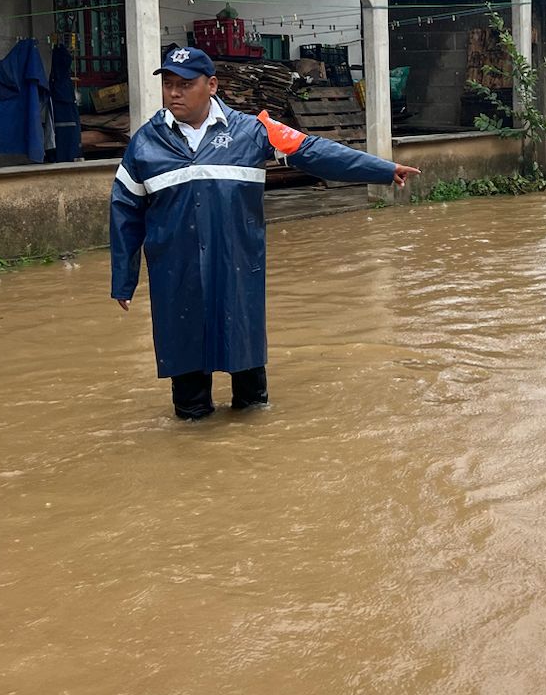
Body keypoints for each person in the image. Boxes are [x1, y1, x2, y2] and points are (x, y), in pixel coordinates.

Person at [110, 47, 420, 421]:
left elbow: (315, 152)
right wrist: (123, 281)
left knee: (251, 396)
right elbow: (126, 212)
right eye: (170, 85)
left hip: (237, 271)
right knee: (189, 400)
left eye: (185, 85)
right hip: (177, 279)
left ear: (211, 86)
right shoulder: (145, 144)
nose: (174, 93)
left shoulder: (254, 131)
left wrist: (383, 169)